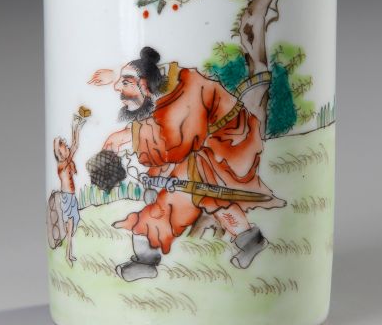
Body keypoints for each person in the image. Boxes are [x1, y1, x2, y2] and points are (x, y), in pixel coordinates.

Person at [89, 47, 285, 281]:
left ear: (143, 84)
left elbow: (174, 144)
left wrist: (129, 136)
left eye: (125, 84)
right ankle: (250, 240)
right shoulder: (161, 91)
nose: (118, 91)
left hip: (230, 145)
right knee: (201, 191)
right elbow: (165, 134)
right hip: (203, 146)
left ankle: (146, 260)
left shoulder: (184, 91)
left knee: (189, 193)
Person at [53, 114, 85, 267]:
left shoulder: (67, 161)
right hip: (66, 197)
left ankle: (69, 253)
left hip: (71, 197)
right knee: (70, 226)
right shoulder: (62, 164)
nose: (67, 147)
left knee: (73, 224)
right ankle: (67, 255)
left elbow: (75, 145)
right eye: (63, 147)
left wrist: (77, 127)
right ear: (59, 153)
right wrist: (74, 126)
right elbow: (74, 146)